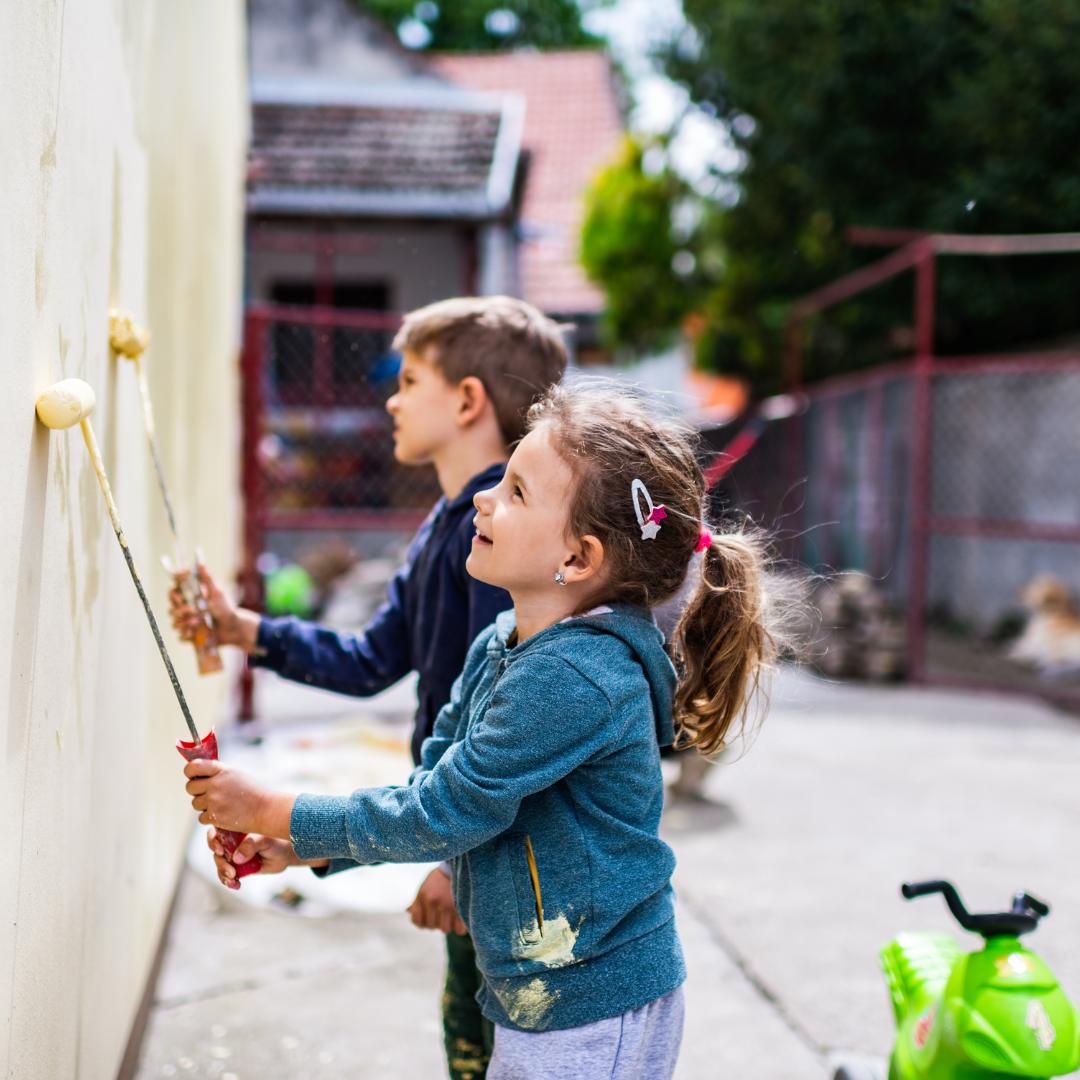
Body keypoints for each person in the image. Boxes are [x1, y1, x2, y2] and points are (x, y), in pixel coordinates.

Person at [182, 380, 782, 1079]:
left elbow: (443, 812)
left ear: (579, 559)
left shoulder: (576, 679)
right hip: (542, 988)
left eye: (517, 492)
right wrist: (305, 846)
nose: (482, 498)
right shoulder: (502, 642)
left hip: (592, 1003)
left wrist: (270, 807)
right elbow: (436, 790)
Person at [169, 296, 568, 1080]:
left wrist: (454, 862)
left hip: (496, 860)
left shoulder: (495, 542)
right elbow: (373, 656)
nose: (390, 396)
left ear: (466, 402)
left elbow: (501, 733)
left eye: (409, 378)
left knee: (491, 1048)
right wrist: (244, 629)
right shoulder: (449, 524)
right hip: (469, 840)